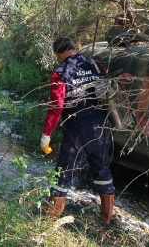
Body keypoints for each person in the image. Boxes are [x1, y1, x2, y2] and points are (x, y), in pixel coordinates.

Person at [40, 37, 115, 224]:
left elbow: (56, 105)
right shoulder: (97, 65)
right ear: (74, 48)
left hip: (78, 131)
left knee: (63, 174)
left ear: (58, 54)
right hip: (103, 127)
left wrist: (46, 134)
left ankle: (50, 220)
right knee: (103, 172)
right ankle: (106, 219)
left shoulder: (60, 71)